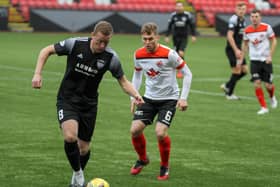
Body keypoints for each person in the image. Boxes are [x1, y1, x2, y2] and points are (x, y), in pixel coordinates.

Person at [31, 21, 144, 187]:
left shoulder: (111, 58)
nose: (102, 45)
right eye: (99, 41)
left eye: (106, 42)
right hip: (67, 99)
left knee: (83, 148)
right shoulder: (75, 44)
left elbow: (123, 81)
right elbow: (46, 50)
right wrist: (37, 74)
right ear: (93, 35)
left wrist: (136, 95)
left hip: (89, 105)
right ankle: (78, 175)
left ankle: (75, 181)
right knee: (70, 136)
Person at [130, 22, 192, 180]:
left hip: (169, 99)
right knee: (135, 130)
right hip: (148, 98)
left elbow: (187, 73)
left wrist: (183, 98)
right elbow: (137, 75)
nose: (147, 42)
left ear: (157, 36)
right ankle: (143, 159)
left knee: (160, 132)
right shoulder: (138, 54)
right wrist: (134, 96)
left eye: (150, 38)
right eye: (144, 39)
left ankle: (164, 165)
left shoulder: (169, 54)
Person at [242, 9, 278, 114]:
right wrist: (242, 57)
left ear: (260, 17)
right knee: (257, 83)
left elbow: (274, 40)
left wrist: (270, 56)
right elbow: (245, 43)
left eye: (256, 16)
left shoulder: (267, 28)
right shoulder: (247, 30)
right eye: (252, 17)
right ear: (250, 18)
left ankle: (272, 97)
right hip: (254, 60)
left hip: (266, 61)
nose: (254, 19)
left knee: (268, 86)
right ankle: (264, 107)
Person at [221, 1, 248, 100]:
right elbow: (229, 36)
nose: (241, 11)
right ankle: (229, 94)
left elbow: (241, 37)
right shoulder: (234, 19)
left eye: (243, 9)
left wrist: (243, 49)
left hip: (239, 50)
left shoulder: (243, 20)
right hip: (232, 50)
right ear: (236, 9)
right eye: (239, 9)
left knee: (245, 71)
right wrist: (236, 50)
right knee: (237, 71)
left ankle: (227, 85)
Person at [164, 1, 196, 78]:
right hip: (175, 38)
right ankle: (178, 68)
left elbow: (192, 26)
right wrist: (167, 36)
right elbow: (169, 26)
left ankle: (180, 71)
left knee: (181, 53)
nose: (178, 8)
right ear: (175, 7)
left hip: (184, 37)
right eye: (177, 6)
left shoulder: (187, 15)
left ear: (183, 7)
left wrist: (193, 35)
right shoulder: (173, 15)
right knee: (176, 53)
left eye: (180, 6)